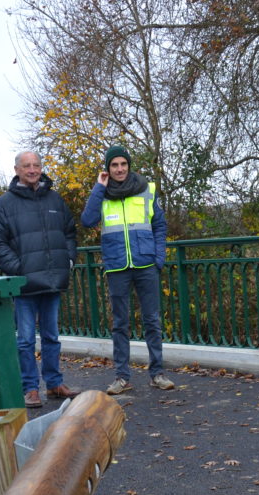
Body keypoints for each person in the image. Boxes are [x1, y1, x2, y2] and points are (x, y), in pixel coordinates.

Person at [0, 151, 81, 408]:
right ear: (16, 169)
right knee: (25, 339)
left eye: (36, 165)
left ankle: (54, 383)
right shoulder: (5, 203)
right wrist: (19, 269)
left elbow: (70, 232)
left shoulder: (55, 199)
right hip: (24, 283)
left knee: (51, 336)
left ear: (41, 168)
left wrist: (68, 261)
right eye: (26, 166)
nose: (32, 170)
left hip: (52, 280)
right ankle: (30, 388)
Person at [80, 145, 174, 394]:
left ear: (129, 166)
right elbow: (87, 220)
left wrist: (158, 258)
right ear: (108, 169)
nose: (119, 169)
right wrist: (99, 188)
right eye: (114, 165)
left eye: (123, 164)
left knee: (152, 321)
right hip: (117, 266)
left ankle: (157, 374)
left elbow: (160, 226)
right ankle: (122, 377)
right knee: (120, 324)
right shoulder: (103, 194)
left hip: (146, 265)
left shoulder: (146, 189)